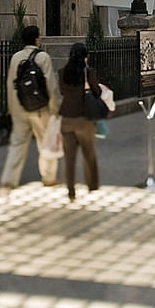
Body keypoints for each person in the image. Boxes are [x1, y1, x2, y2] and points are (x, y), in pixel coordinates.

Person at [0, 24, 60, 196]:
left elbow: (11, 85)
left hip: (19, 107)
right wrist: (54, 109)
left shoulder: (16, 57)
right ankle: (48, 178)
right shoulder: (43, 57)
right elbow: (50, 86)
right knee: (45, 142)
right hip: (40, 109)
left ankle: (8, 181)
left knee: (17, 144)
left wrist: (11, 108)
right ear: (37, 39)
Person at [58, 42, 101, 202]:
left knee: (69, 158)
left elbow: (62, 91)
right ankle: (92, 185)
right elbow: (97, 91)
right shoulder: (88, 73)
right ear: (85, 57)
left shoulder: (62, 72)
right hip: (84, 119)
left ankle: (71, 190)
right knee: (89, 153)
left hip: (67, 118)